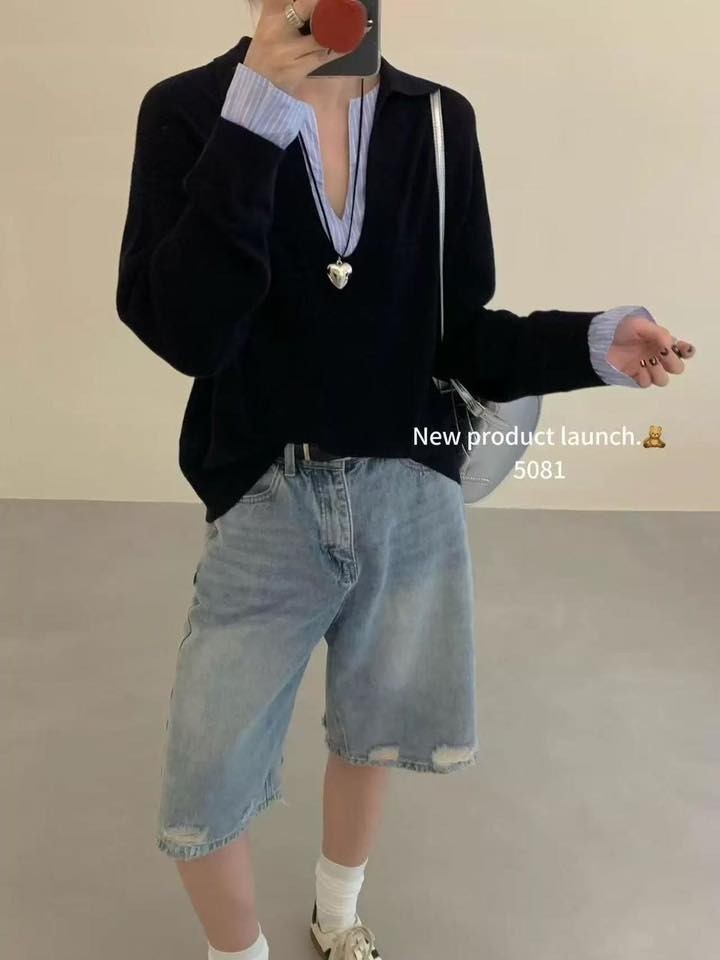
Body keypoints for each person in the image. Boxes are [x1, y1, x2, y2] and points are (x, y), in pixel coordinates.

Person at [115, 2, 695, 958]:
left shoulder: (436, 120)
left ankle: (339, 916)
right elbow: (187, 332)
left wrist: (592, 344)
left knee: (374, 730)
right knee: (205, 777)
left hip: (411, 494)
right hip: (265, 494)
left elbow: (459, 336)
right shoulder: (188, 110)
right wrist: (253, 117)